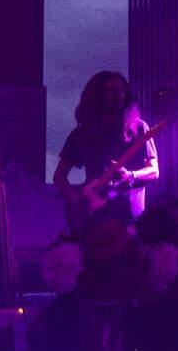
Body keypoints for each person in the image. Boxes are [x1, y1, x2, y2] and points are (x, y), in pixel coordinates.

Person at [54, 71, 159, 233]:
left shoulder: (139, 128)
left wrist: (131, 175)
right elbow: (59, 176)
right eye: (112, 90)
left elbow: (154, 170)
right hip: (94, 220)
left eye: (121, 90)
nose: (119, 95)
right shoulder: (82, 134)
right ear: (97, 96)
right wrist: (74, 199)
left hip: (131, 218)